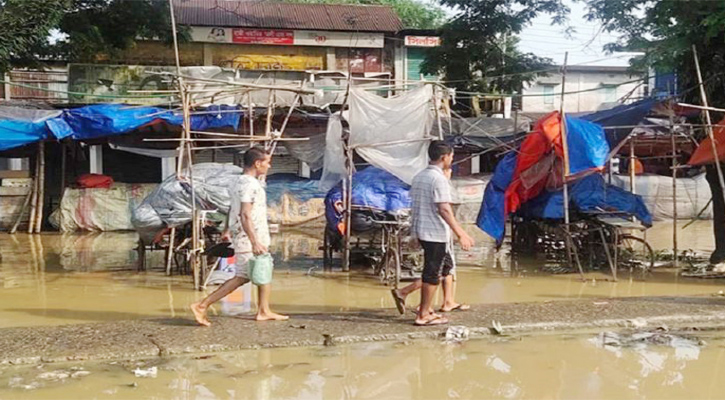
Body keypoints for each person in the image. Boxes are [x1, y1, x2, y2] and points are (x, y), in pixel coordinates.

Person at [191, 147, 288, 326]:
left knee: (262, 268)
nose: (269, 165)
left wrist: (227, 229)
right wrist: (254, 241)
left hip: (246, 233)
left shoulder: (238, 182)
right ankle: (202, 305)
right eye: (267, 162)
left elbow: (231, 208)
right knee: (245, 275)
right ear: (258, 163)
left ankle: (263, 310)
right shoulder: (249, 184)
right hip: (249, 235)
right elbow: (244, 214)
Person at [394, 141, 475, 326]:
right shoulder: (438, 179)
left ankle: (422, 303)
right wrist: (460, 232)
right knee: (432, 273)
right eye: (452, 157)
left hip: (424, 230)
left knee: (444, 268)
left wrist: (414, 234)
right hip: (435, 233)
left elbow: (415, 206)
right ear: (444, 157)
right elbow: (444, 209)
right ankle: (423, 315)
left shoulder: (420, 176)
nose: (452, 160)